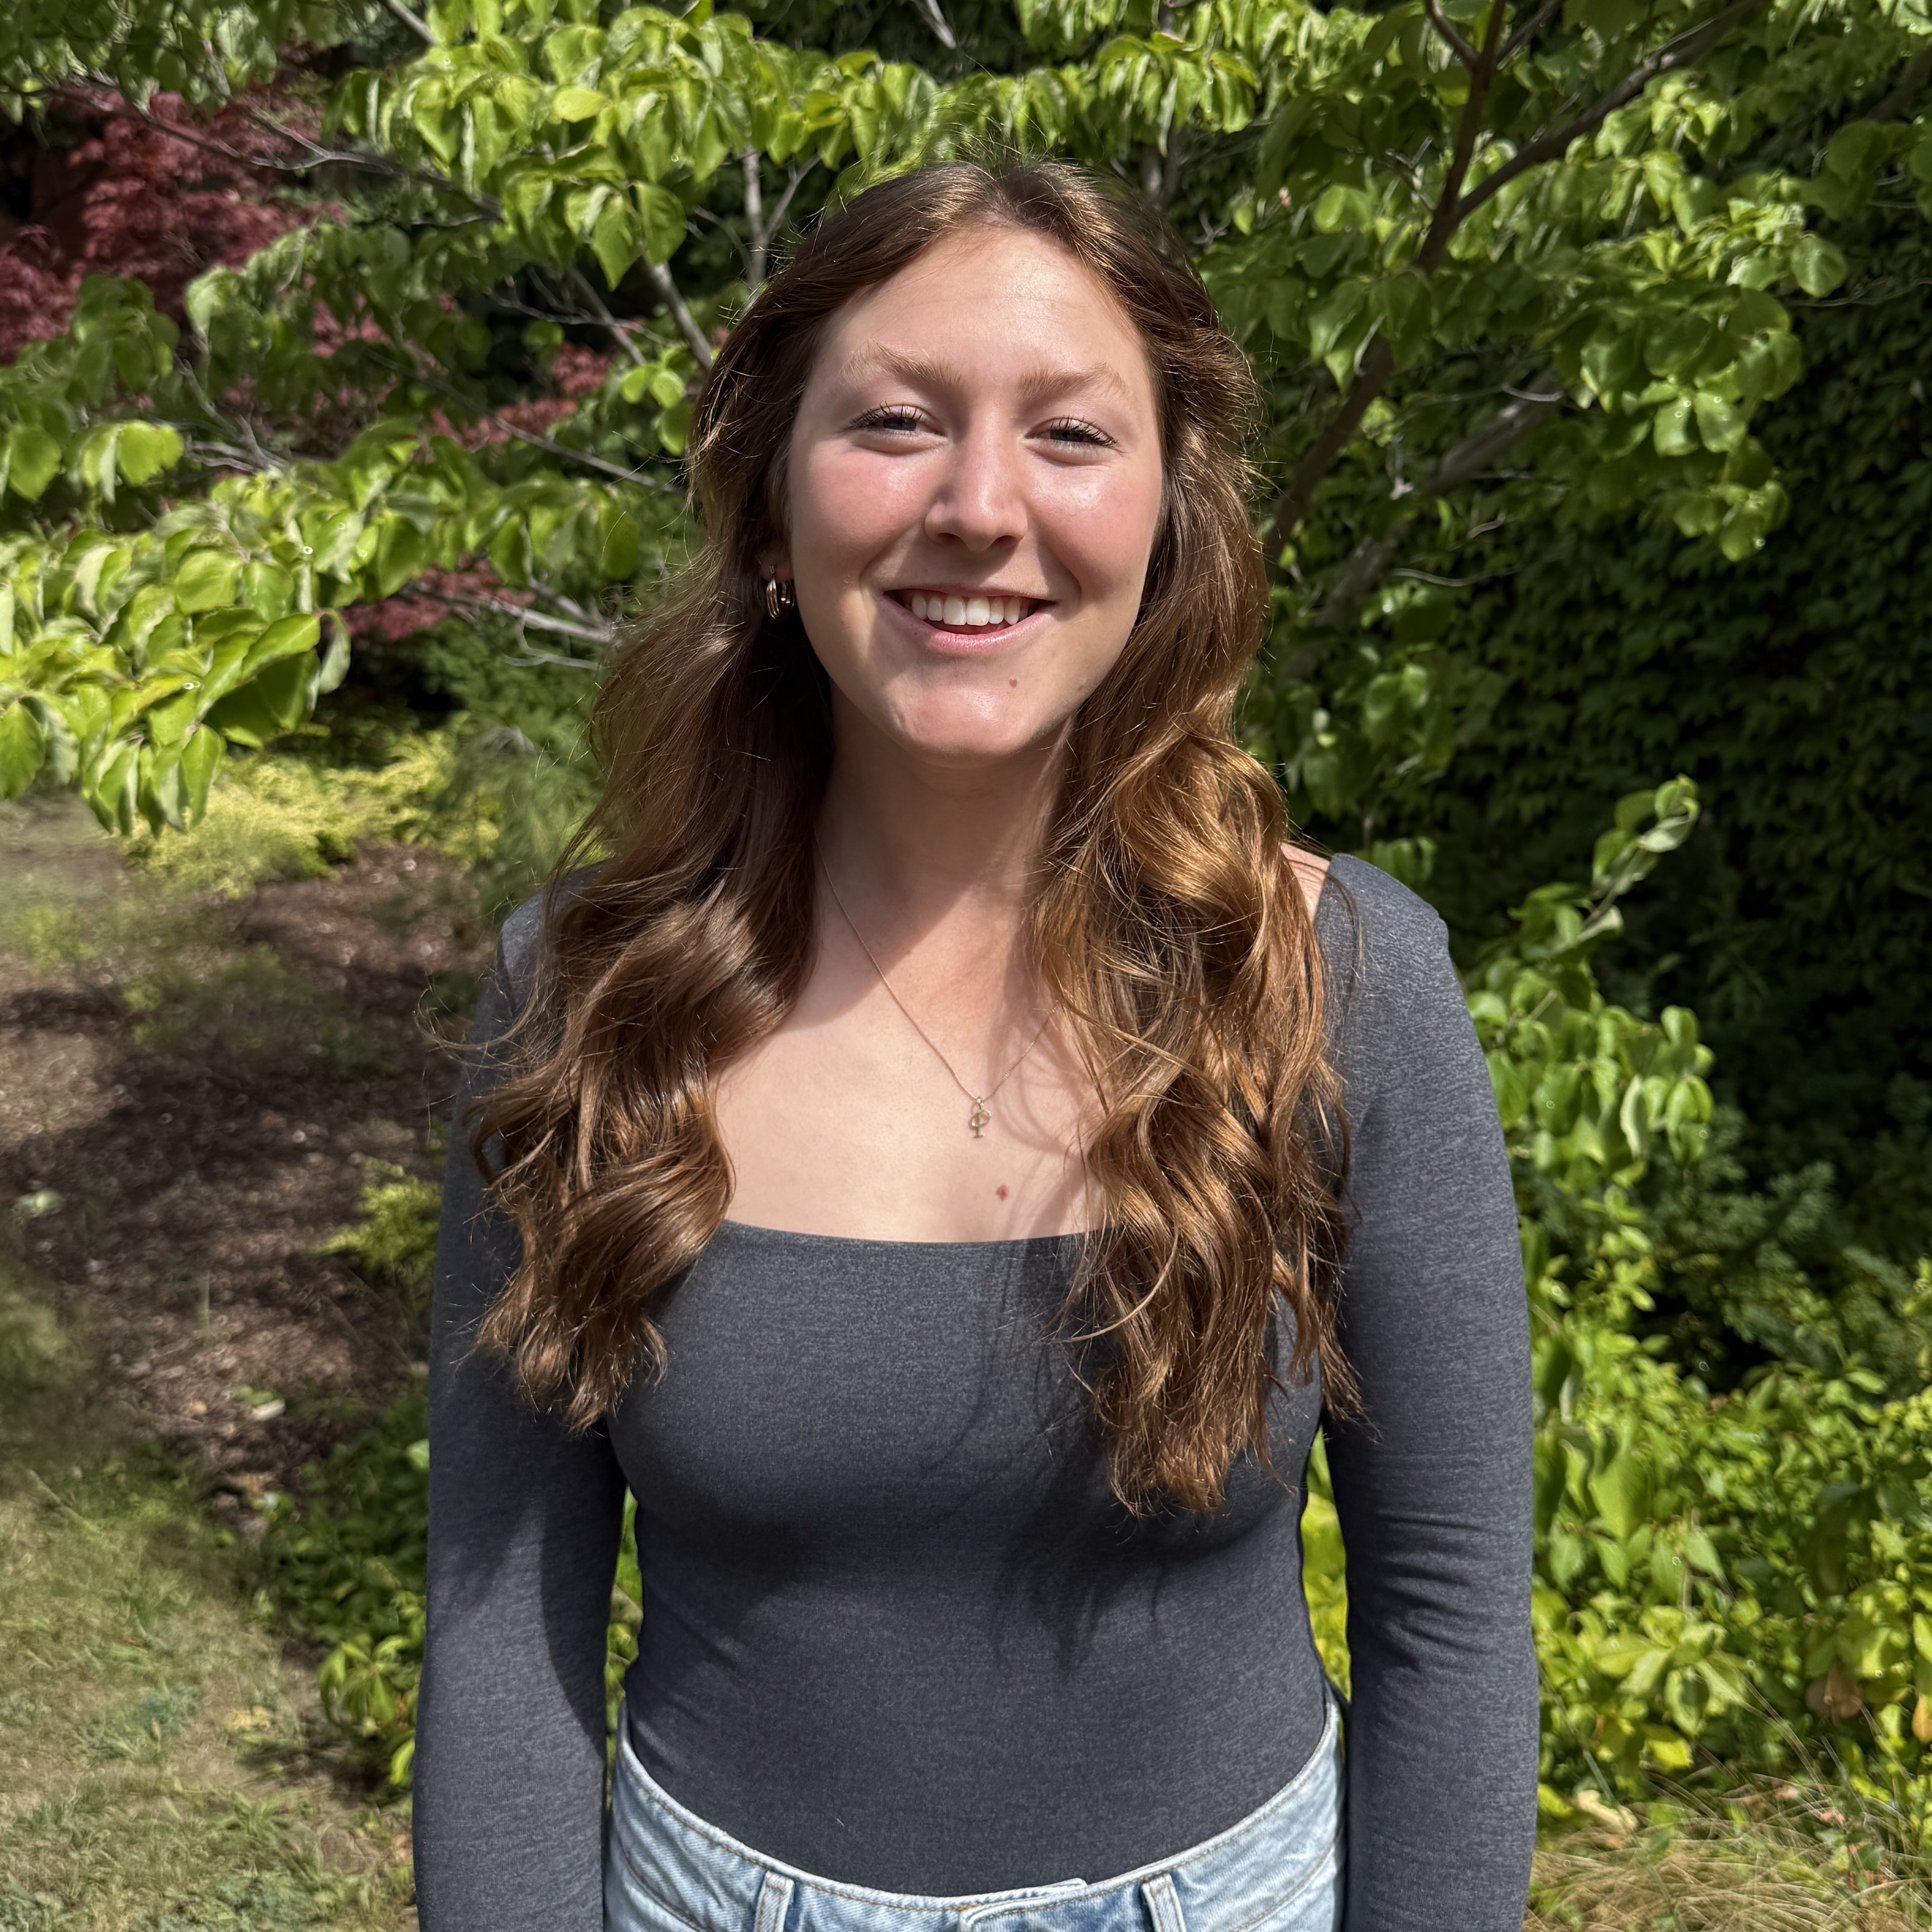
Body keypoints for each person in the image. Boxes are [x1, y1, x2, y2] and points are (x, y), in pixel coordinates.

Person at [413, 158, 1535, 1932]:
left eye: (1073, 436)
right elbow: (496, 1628)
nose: (980, 505)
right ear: (773, 509)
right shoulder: (585, 1000)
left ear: (1172, 519)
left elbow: (1453, 1611)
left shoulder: (1338, 984)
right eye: (896, 423)